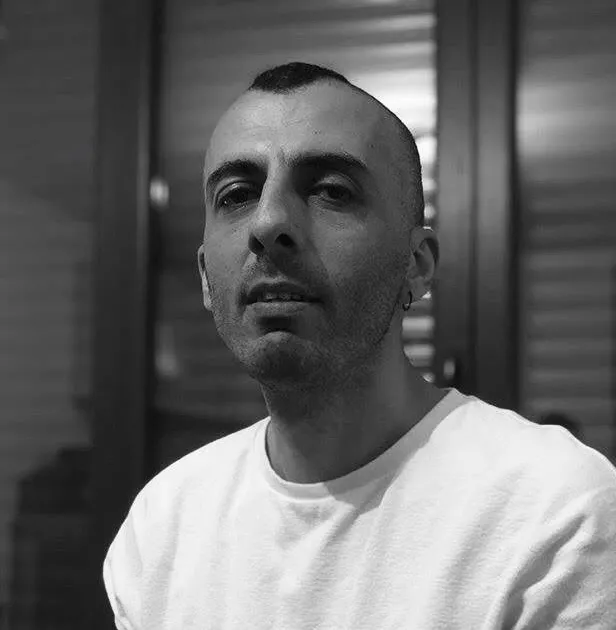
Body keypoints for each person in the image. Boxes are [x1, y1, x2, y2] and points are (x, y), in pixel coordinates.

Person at [103, 62, 616, 629]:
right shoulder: (162, 529)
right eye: (237, 194)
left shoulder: (555, 516)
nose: (268, 222)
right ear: (205, 276)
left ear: (416, 265)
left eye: (331, 191)